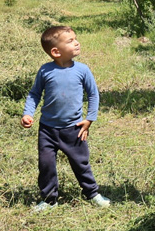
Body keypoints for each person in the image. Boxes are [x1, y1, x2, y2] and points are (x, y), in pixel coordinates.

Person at [21, 25, 110, 212]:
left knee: (81, 163)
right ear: (55, 51)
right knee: (46, 165)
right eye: (70, 41)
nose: (77, 42)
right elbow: (34, 94)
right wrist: (28, 113)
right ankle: (49, 199)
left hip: (74, 128)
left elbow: (93, 95)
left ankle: (92, 193)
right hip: (47, 129)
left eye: (75, 38)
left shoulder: (83, 70)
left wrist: (89, 120)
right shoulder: (45, 71)